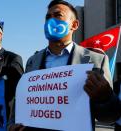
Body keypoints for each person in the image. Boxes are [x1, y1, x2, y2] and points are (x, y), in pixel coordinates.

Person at [9, 0, 120, 131]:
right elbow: (21, 101)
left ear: (74, 24)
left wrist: (105, 98)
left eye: (57, 15)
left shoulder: (97, 60)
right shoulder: (32, 61)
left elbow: (109, 117)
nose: (51, 20)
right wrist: (12, 123)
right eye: (48, 17)